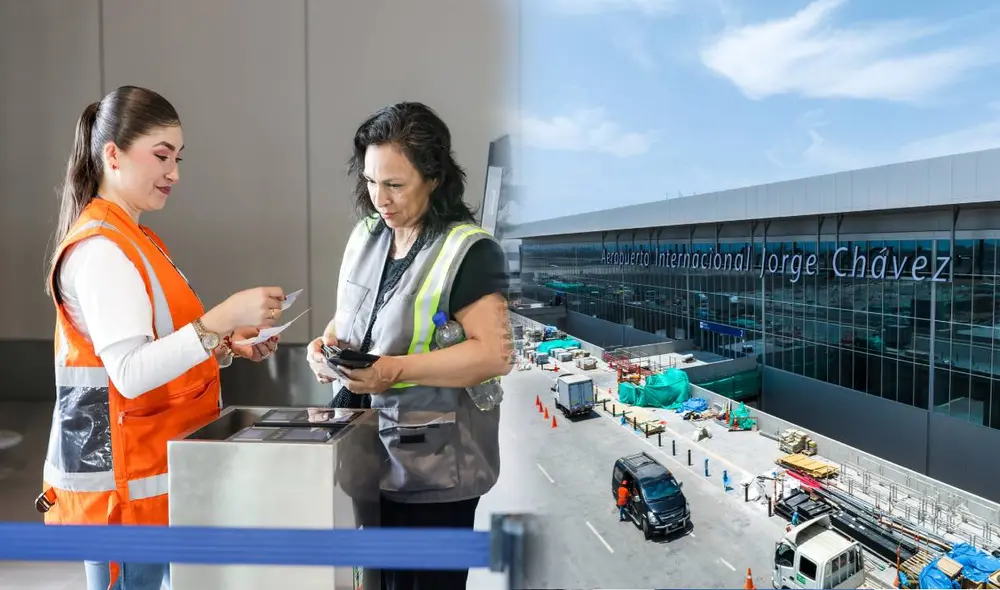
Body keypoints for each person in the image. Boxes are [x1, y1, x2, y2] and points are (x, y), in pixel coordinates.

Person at [37, 86, 287, 590]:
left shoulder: (134, 238)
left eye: (177, 157)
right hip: (127, 497)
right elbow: (129, 375)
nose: (174, 172)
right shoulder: (102, 250)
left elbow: (158, 348)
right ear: (112, 155)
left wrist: (225, 342)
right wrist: (220, 318)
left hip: (152, 481)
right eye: (161, 156)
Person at [306, 102, 513, 590]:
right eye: (372, 181)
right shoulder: (368, 236)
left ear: (435, 177)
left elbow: (493, 354)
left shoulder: (470, 251)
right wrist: (326, 346)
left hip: (435, 466)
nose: (380, 198)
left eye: (395, 185)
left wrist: (394, 370)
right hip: (365, 449)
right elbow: (356, 316)